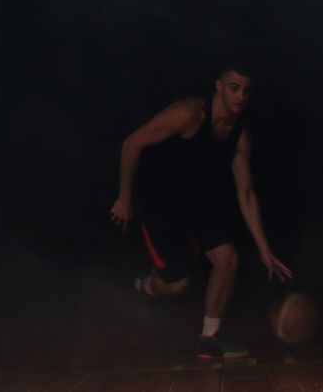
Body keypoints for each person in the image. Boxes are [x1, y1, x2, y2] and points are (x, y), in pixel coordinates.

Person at [110, 65, 292, 359]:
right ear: (218, 86)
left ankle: (209, 340)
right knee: (179, 284)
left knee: (228, 258)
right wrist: (124, 196)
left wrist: (264, 249)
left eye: (246, 90)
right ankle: (147, 285)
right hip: (160, 201)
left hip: (195, 202)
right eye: (234, 87)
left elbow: (245, 193)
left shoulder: (239, 137)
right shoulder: (189, 113)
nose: (240, 96)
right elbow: (132, 143)